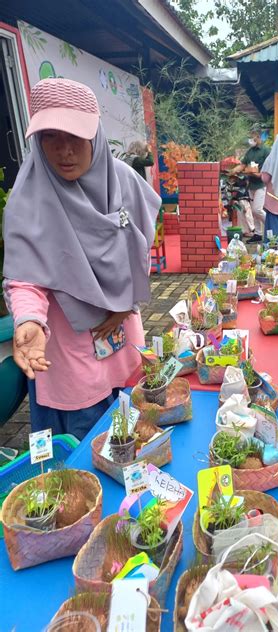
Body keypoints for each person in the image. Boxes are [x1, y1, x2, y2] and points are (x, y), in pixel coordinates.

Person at [3, 78, 160, 440]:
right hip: (68, 347)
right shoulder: (30, 198)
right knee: (84, 445)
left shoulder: (122, 181)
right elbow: (25, 279)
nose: (64, 151)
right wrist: (29, 321)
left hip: (120, 335)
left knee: (131, 430)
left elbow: (140, 249)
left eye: (75, 136)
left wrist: (128, 302)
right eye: (51, 137)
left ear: (95, 136)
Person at [232, 128, 270, 243]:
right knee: (254, 212)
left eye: (253, 137)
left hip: (261, 184)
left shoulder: (265, 151)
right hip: (252, 184)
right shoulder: (250, 151)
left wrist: (257, 173)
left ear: (258, 137)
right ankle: (258, 233)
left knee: (256, 209)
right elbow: (243, 164)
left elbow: (269, 167)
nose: (251, 139)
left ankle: (271, 223)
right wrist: (233, 170)